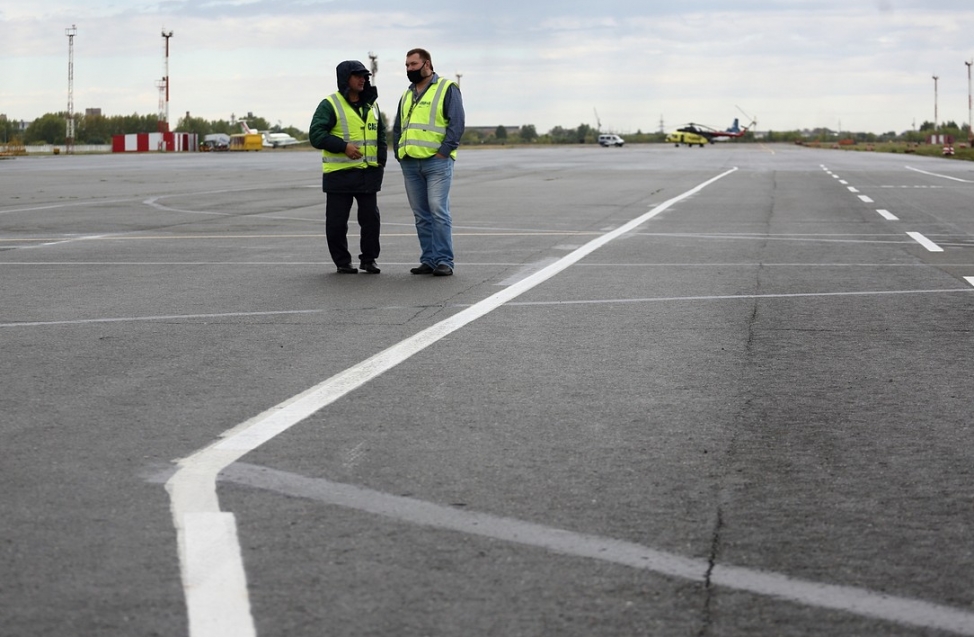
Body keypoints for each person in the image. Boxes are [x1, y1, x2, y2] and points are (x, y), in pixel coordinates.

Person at [392, 48, 465, 276]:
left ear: (427, 64)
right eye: (406, 65)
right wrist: (398, 152)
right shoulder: (407, 94)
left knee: (437, 210)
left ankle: (444, 260)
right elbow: (398, 126)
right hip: (410, 163)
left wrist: (444, 152)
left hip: (437, 162)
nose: (409, 69)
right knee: (421, 215)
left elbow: (457, 122)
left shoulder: (446, 88)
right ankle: (429, 259)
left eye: (413, 65)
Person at [309, 60, 386, 274]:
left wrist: (381, 163)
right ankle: (342, 262)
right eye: (358, 75)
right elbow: (316, 135)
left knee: (371, 220)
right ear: (345, 79)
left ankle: (369, 259)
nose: (363, 79)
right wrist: (343, 147)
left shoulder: (372, 104)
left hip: (368, 173)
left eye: (365, 76)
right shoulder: (330, 104)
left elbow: (380, 136)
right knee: (336, 223)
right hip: (339, 174)